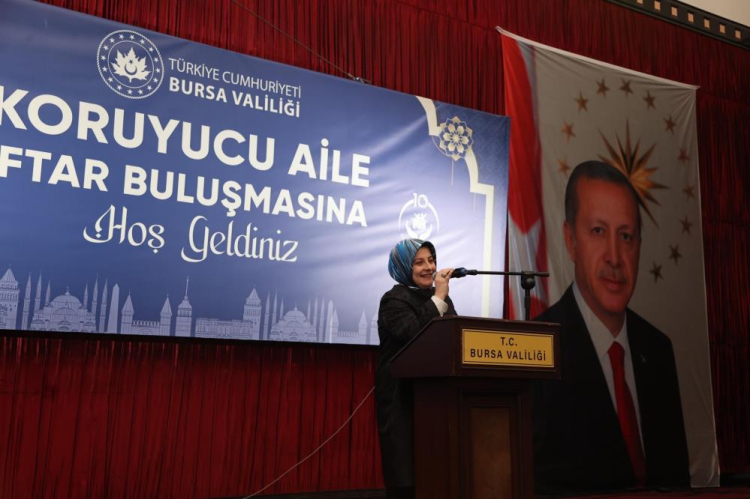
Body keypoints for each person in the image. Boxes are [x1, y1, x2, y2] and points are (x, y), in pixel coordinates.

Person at [533, 161, 690, 494]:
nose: (615, 257)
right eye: (598, 231)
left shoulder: (657, 349)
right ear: (571, 240)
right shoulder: (540, 346)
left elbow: (675, 481)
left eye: (626, 236)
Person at [375, 239, 456, 499]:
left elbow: (454, 337)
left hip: (438, 397)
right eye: (419, 262)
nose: (429, 267)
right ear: (402, 267)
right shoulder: (393, 300)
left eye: (431, 260)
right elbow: (413, 334)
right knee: (407, 475)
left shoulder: (441, 299)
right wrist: (438, 297)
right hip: (402, 400)